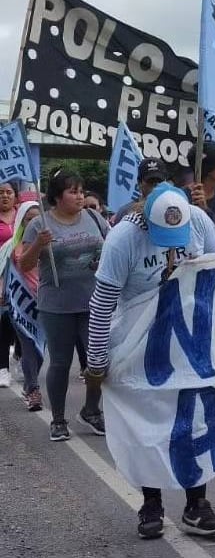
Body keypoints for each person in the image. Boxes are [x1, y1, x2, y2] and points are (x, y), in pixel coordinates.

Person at [85, 183, 215, 539]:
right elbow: (102, 303)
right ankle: (151, 503)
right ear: (147, 220)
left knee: (195, 421)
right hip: (140, 345)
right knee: (149, 423)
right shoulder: (123, 238)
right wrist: (96, 360)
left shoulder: (196, 219)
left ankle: (197, 505)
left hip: (191, 339)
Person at [20, 168, 109, 442]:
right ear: (57, 197)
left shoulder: (95, 218)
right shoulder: (40, 224)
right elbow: (24, 264)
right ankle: (58, 419)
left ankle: (92, 409)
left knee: (99, 361)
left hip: (93, 302)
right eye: (73, 191)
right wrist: (38, 244)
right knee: (60, 363)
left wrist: (101, 262)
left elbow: (111, 249)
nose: (80, 196)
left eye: (81, 191)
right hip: (56, 305)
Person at [1, 202, 43, 409]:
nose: (34, 222)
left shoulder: (51, 244)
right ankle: (34, 390)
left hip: (46, 305)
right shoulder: (11, 247)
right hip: (21, 305)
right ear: (21, 222)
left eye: (38, 218)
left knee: (40, 350)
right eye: (29, 219)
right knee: (28, 346)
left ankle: (29, 383)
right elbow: (4, 273)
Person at [0, 181, 19, 388]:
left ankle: (21, 357)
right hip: (1, 278)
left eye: (8, 192)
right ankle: (2, 368)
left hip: (25, 277)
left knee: (22, 322)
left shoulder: (24, 217)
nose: (4, 196)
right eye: (1, 193)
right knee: (3, 324)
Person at [111, 157, 168, 224]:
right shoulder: (125, 212)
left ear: (165, 182)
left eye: (159, 181)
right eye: (151, 182)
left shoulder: (174, 209)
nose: (155, 187)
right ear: (139, 182)